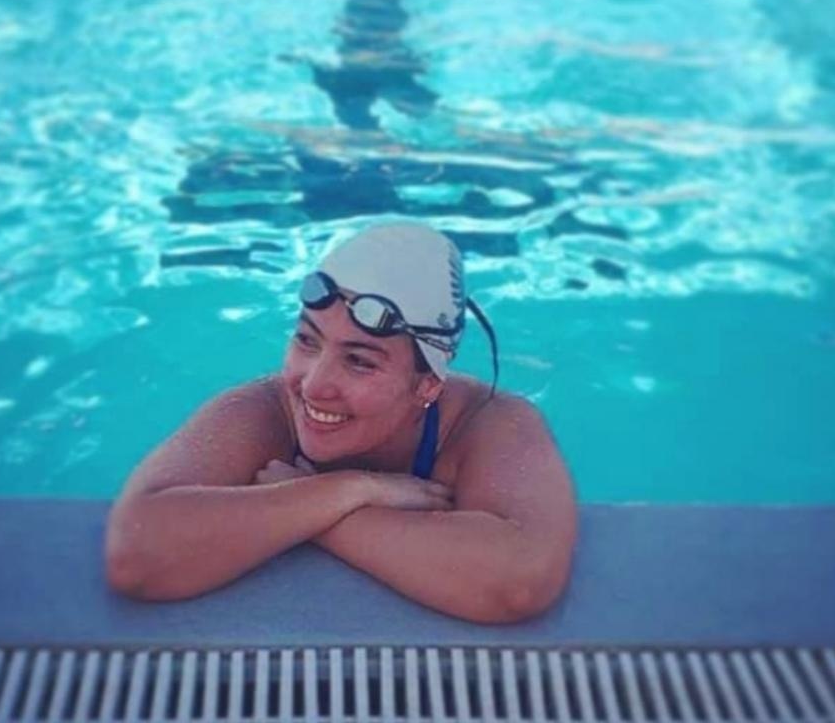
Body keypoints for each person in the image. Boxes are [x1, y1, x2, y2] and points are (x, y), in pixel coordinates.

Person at [105, 220, 577, 622]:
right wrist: (349, 490)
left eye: (360, 362)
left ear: (428, 386)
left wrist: (306, 507)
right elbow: (138, 555)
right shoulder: (265, 410)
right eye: (307, 341)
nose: (313, 386)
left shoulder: (486, 423)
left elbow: (518, 582)